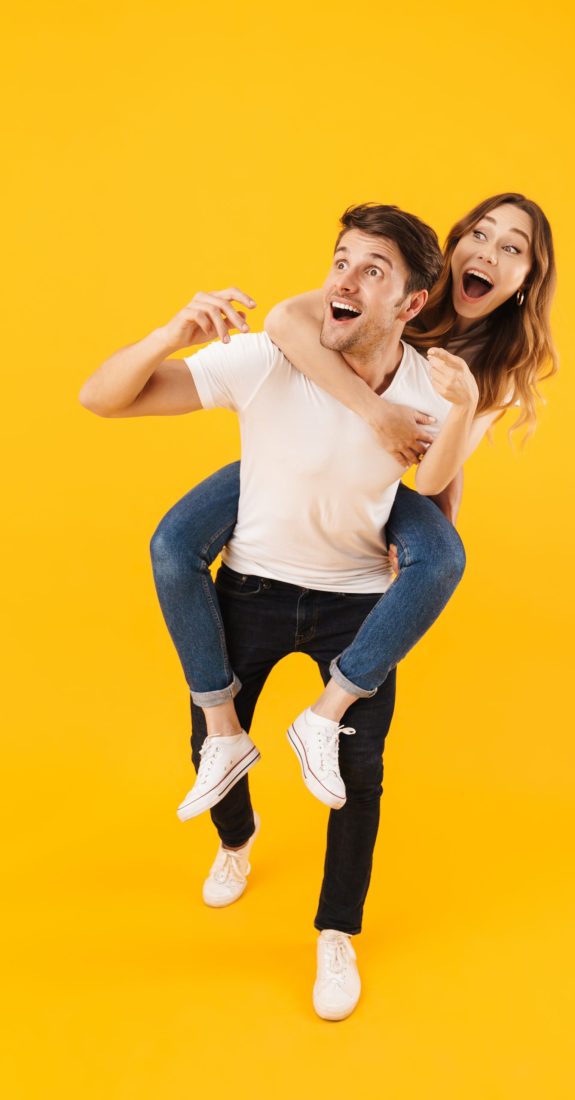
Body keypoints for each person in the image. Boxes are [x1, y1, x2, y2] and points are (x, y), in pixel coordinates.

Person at [79, 198, 557, 1021]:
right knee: (176, 552)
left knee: (437, 564)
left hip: (368, 524)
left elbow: (440, 469)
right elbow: (296, 323)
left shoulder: (477, 371)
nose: (486, 251)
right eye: (477, 234)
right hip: (284, 500)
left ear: (522, 282)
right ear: (441, 267)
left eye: (510, 248)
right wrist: (367, 407)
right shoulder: (326, 322)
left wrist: (426, 531)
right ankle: (237, 835)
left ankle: (336, 930)